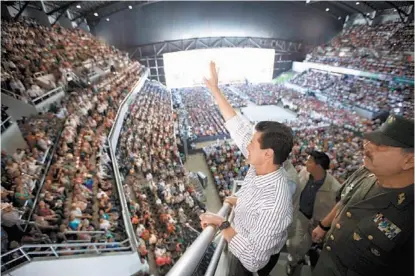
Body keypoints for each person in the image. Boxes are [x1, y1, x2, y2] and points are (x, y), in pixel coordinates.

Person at [199, 61, 294, 275]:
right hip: (241, 235)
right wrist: (215, 90)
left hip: (248, 263)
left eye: (252, 142)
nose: (246, 145)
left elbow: (253, 260)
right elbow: (236, 125)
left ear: (268, 154)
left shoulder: (274, 203)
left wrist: (223, 224)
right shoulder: (261, 162)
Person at [312, 115, 414, 276]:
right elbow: (346, 200)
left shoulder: (410, 216)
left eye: (380, 145)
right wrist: (324, 225)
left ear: (409, 161)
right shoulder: (366, 172)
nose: (367, 146)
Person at [286, 151, 340, 274]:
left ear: (318, 166)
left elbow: (337, 208)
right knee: (293, 244)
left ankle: (301, 260)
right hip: (301, 216)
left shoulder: (334, 187)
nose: (306, 163)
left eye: (309, 161)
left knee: (308, 247)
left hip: (318, 223)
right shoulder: (304, 173)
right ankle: (294, 262)